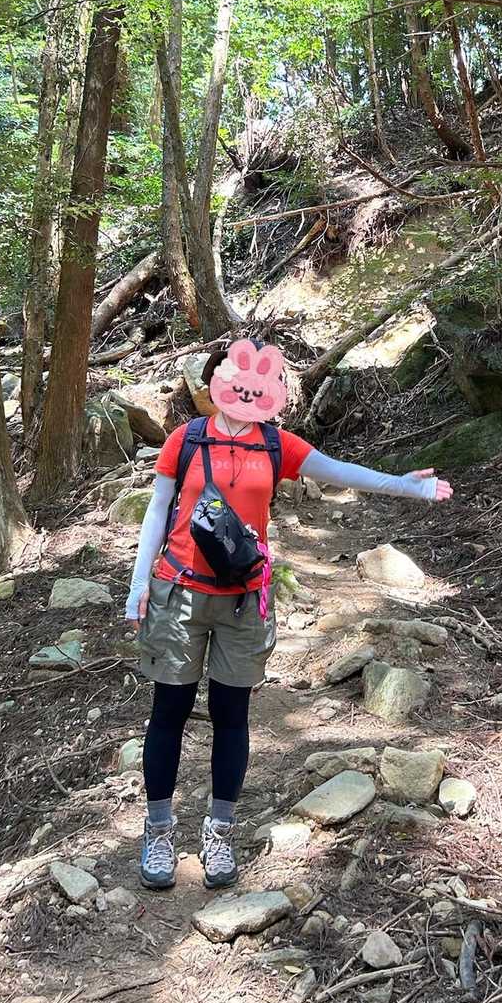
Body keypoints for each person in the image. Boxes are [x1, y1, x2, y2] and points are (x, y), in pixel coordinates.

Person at [124, 337, 453, 892]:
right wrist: (138, 585)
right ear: (214, 385)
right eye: (234, 382)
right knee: (169, 712)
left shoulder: (276, 445)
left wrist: (405, 485)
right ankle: (158, 832)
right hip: (178, 593)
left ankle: (219, 832)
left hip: (244, 599)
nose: (245, 394)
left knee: (231, 715)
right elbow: (158, 510)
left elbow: (339, 471)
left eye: (258, 387)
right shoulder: (186, 439)